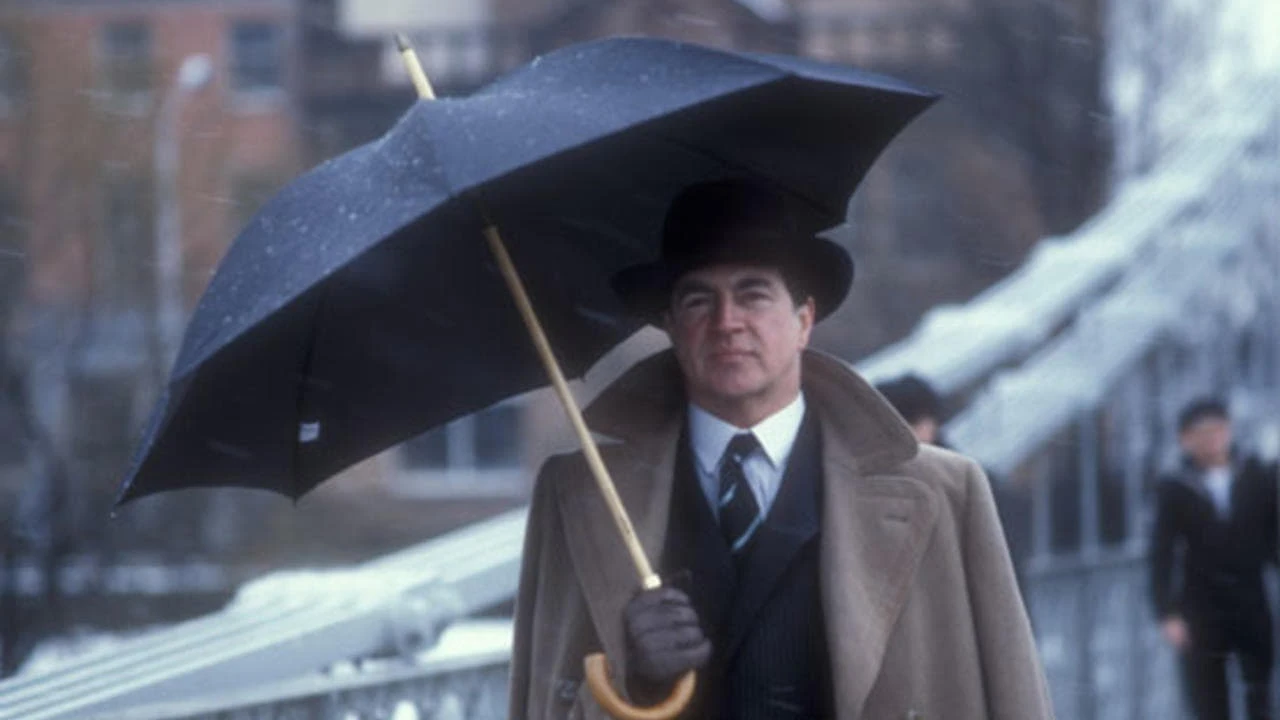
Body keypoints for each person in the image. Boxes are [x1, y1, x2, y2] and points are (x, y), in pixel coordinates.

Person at [510, 179, 1052, 719]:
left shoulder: (946, 491)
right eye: (699, 300)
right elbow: (543, 707)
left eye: (753, 294)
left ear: (804, 320)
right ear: (672, 327)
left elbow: (1012, 701)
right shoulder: (577, 495)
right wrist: (630, 680)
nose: (727, 322)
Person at [1149, 398, 1279, 720]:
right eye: (1201, 433)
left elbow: (1273, 534)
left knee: (1260, 690)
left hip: (1251, 598)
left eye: (1217, 430)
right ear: (1185, 439)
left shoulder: (1255, 475)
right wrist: (1167, 611)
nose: (1212, 440)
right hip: (1201, 604)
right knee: (1207, 697)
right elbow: (1162, 551)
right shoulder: (1175, 487)